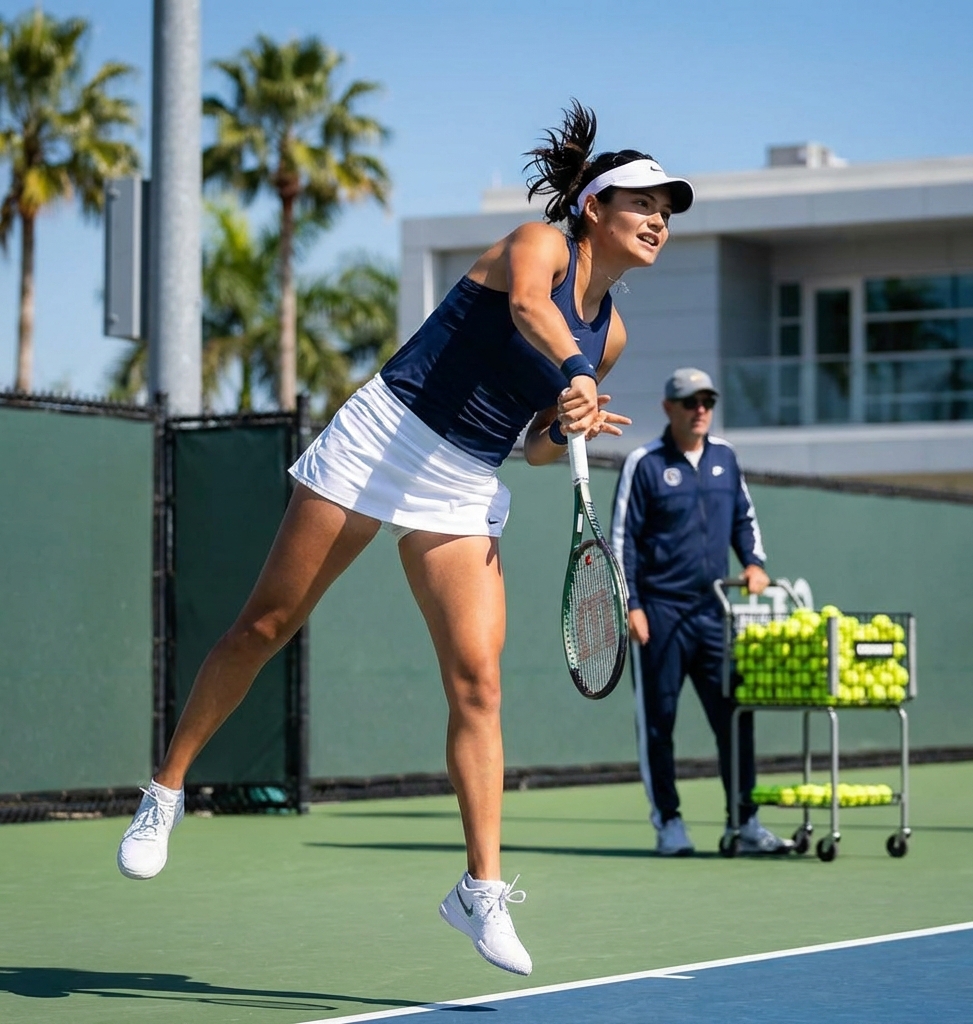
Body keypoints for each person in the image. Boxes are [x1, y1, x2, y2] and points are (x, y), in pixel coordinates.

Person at [115, 101, 695, 976]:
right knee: (265, 625)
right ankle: (164, 791)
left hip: (465, 479)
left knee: (478, 682)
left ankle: (479, 891)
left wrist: (570, 421)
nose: (658, 219)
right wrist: (571, 372)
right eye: (643, 202)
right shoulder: (540, 246)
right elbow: (534, 311)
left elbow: (535, 448)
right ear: (594, 209)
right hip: (387, 434)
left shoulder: (611, 333)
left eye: (669, 209)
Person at [610, 368, 794, 857]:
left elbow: (744, 518)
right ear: (669, 407)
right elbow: (621, 540)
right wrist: (632, 604)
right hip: (660, 615)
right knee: (659, 721)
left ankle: (746, 821)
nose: (700, 410)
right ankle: (668, 822)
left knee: (735, 717)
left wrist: (754, 563)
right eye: (690, 402)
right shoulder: (643, 464)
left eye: (707, 401)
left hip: (716, 616)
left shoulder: (726, 457)